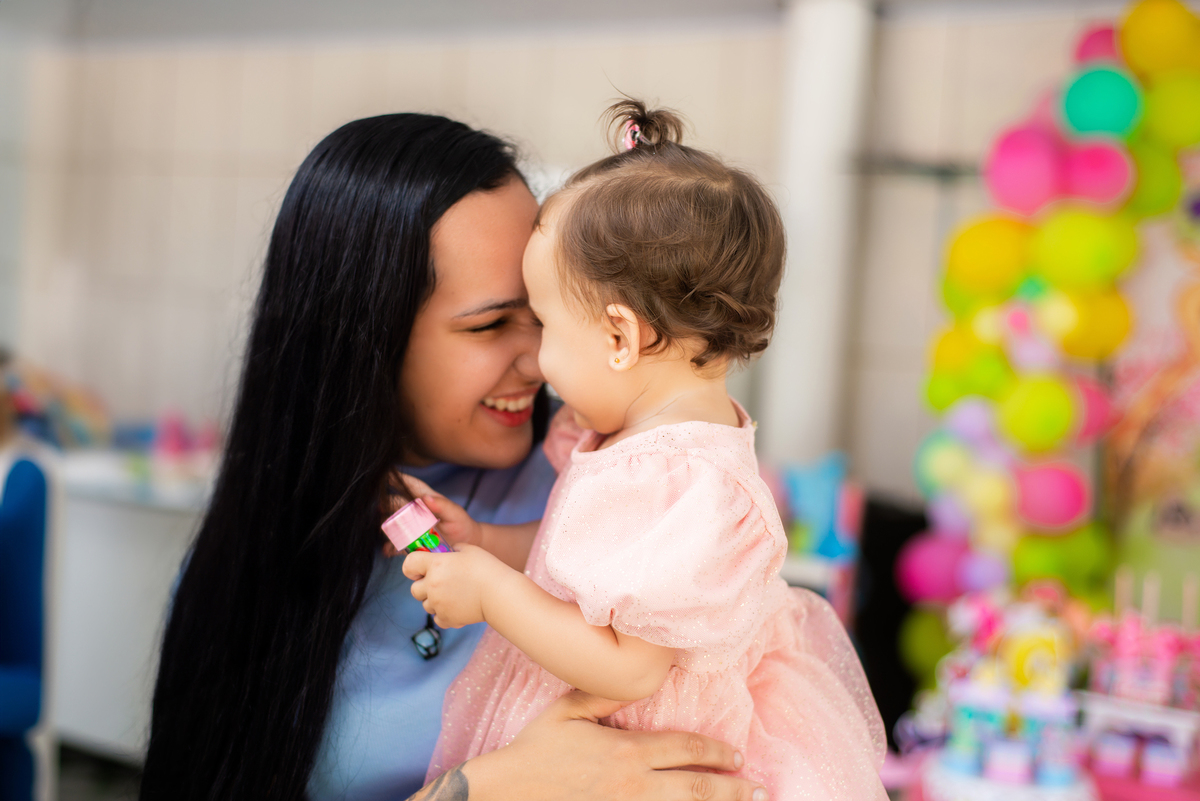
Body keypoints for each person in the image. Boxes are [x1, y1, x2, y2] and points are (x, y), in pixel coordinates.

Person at [140, 113, 767, 801]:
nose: (539, 362)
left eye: (546, 316)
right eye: (492, 323)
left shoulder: (623, 476)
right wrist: (489, 788)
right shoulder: (248, 570)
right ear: (364, 339)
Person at [403, 101, 888, 800]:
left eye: (545, 324)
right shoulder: (646, 447)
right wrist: (485, 540)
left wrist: (490, 591)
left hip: (632, 750)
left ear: (620, 337)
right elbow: (592, 565)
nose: (537, 361)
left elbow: (632, 670)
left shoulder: (685, 477)